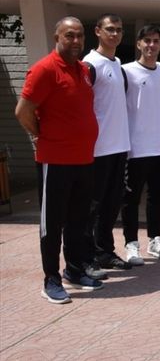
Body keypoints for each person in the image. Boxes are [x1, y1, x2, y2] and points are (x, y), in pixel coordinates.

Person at [16, 17, 103, 303]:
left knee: (78, 220)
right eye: (69, 35)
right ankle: (51, 279)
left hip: (84, 159)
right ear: (57, 37)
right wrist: (43, 135)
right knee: (52, 224)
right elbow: (23, 111)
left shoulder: (83, 70)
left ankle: (74, 270)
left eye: (79, 35)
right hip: (55, 161)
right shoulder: (44, 69)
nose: (76, 41)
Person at [121, 25, 160, 263]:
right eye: (147, 41)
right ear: (139, 44)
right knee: (131, 199)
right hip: (137, 147)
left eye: (156, 41)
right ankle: (131, 244)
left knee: (157, 197)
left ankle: (155, 240)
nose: (151, 45)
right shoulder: (126, 71)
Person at [83, 13, 132, 272]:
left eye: (119, 29)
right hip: (98, 149)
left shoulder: (118, 65)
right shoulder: (89, 65)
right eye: (110, 29)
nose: (115, 34)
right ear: (98, 31)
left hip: (119, 147)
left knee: (112, 205)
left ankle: (104, 252)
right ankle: (85, 257)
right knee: (91, 207)